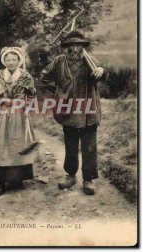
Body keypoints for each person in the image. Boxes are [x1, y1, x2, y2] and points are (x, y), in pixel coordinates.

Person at [40, 31, 107, 195]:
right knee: (70, 144)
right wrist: (57, 91)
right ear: (66, 47)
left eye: (78, 45)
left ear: (83, 47)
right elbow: (44, 76)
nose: (74, 48)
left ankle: (88, 179)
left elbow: (103, 74)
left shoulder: (90, 60)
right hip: (67, 109)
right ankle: (70, 175)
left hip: (88, 110)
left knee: (89, 146)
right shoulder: (59, 61)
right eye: (71, 45)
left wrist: (100, 71)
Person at [0, 47, 37, 196]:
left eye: (14, 59)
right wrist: (2, 100)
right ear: (4, 61)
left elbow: (32, 94)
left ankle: (17, 179)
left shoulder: (26, 76)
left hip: (19, 115)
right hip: (3, 115)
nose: (11, 62)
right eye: (8, 59)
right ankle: (0, 182)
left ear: (19, 60)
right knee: (1, 145)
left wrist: (27, 105)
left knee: (18, 144)